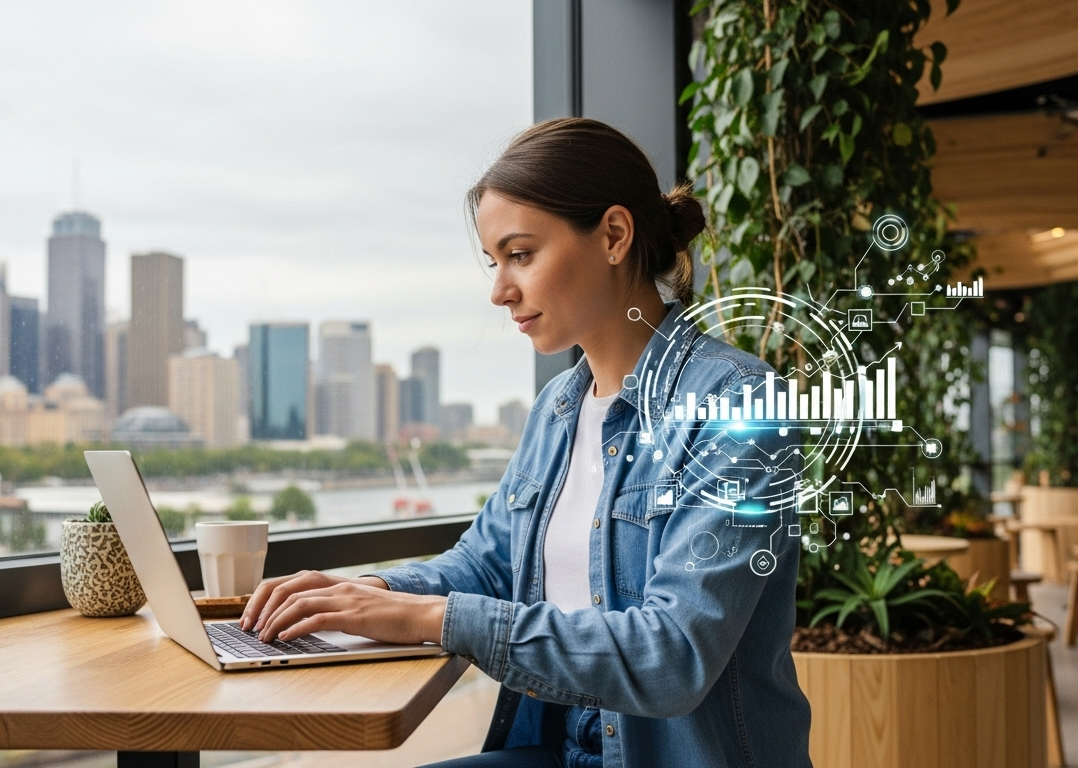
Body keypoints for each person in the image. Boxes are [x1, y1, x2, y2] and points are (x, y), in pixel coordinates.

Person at [240, 118, 812, 768]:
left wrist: (430, 620)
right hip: (565, 751)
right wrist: (362, 594)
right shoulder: (559, 409)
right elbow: (486, 564)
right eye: (494, 262)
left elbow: (672, 655)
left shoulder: (738, 403)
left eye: (520, 255)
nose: (499, 290)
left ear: (614, 236)